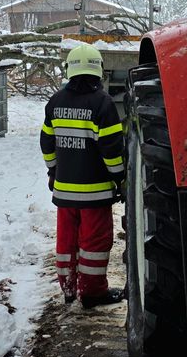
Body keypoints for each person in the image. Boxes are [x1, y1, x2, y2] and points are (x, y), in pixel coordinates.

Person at [40, 43, 125, 308]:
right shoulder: (103, 103)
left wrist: (53, 171)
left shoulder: (55, 101)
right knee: (94, 244)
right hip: (96, 193)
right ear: (98, 70)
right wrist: (120, 178)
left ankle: (68, 288)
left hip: (64, 192)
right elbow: (111, 150)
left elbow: (46, 143)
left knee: (67, 242)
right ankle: (92, 292)